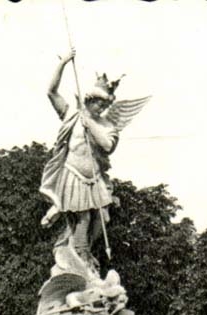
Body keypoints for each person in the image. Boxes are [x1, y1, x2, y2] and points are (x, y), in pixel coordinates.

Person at [40, 49, 149, 280]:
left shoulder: (106, 124)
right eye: (98, 103)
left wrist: (91, 123)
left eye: (104, 105)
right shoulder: (71, 115)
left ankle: (84, 255)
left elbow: (108, 145)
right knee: (83, 219)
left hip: (95, 179)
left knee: (103, 219)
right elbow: (51, 92)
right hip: (73, 176)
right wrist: (63, 63)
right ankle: (81, 262)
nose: (101, 108)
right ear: (89, 100)